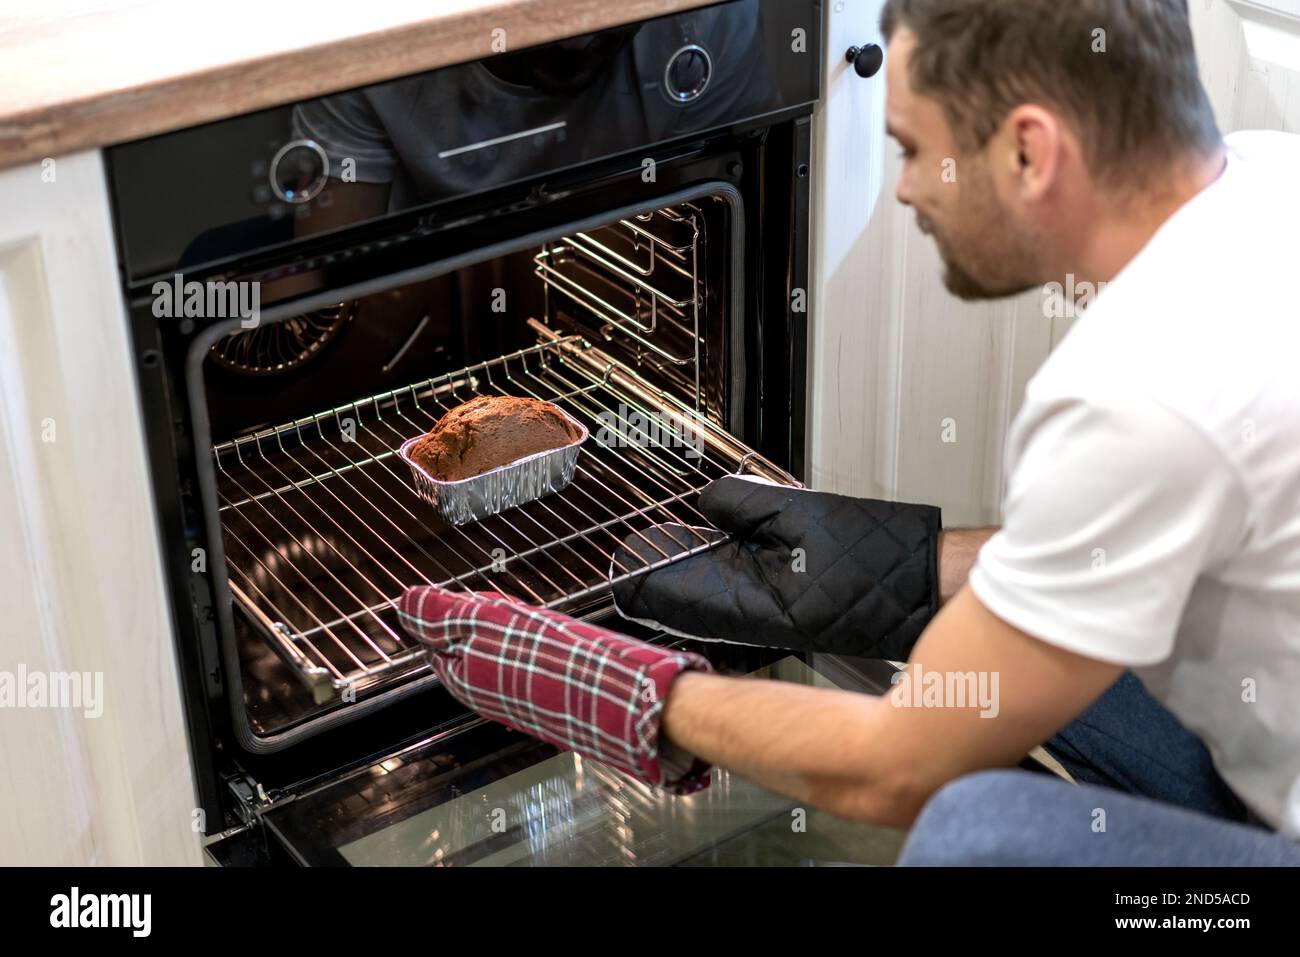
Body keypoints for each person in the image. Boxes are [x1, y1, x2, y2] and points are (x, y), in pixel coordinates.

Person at [399, 0, 1300, 865]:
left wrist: (630, 693)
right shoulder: (1265, 180)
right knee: (1038, 668)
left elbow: (896, 768)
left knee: (977, 831)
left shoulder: (1133, 394)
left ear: (1030, 148)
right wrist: (905, 566)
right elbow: (1144, 534)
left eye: (914, 151)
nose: (905, 190)